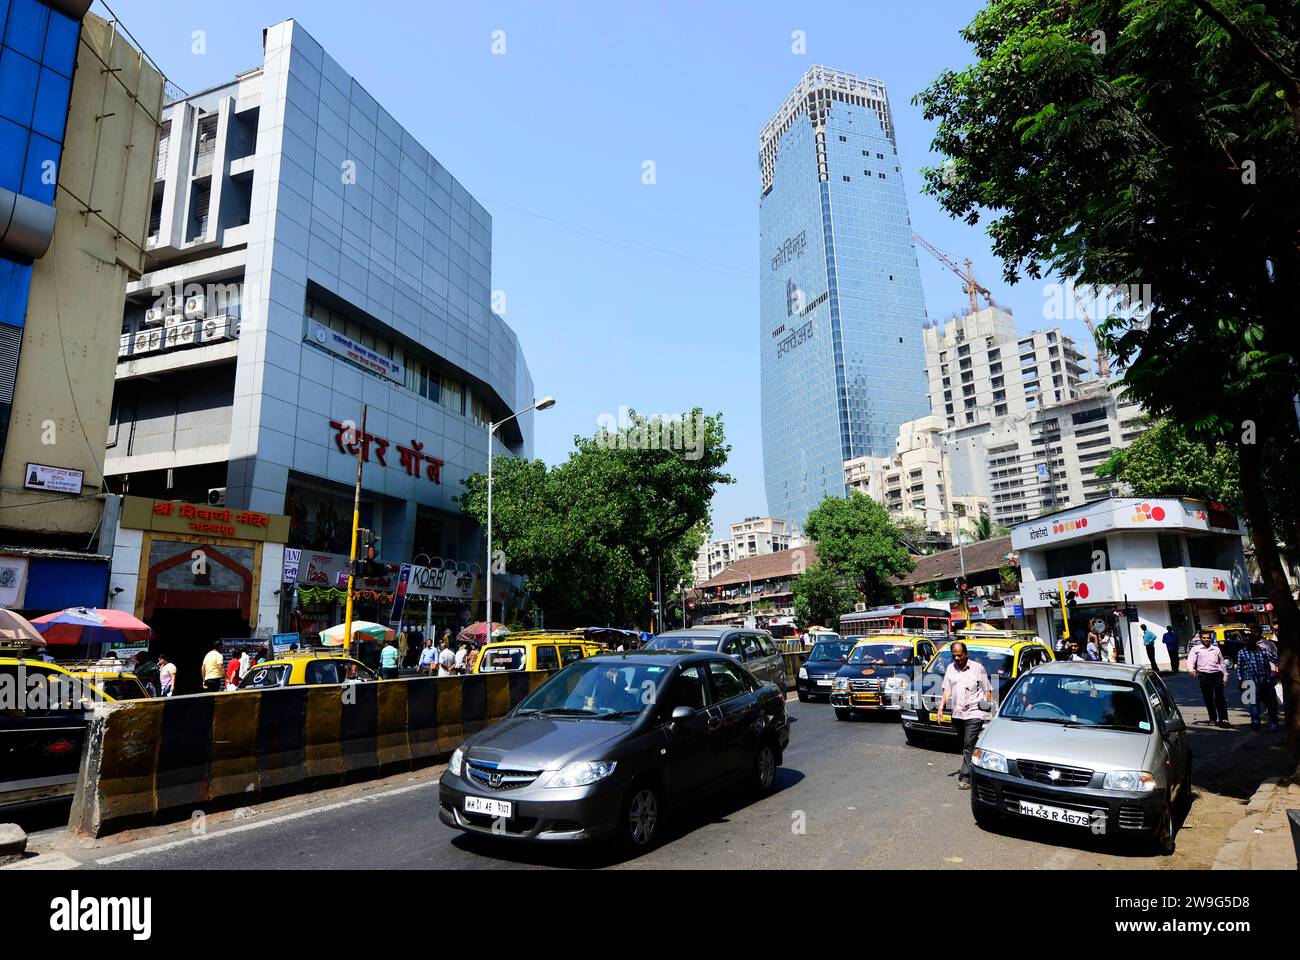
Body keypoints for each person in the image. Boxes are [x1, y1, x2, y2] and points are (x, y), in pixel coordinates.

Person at [936, 641, 993, 791]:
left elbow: (987, 690)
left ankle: (965, 777)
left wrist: (988, 710)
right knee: (967, 745)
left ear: (966, 654)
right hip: (958, 713)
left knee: (968, 745)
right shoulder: (950, 669)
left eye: (959, 656)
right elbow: (946, 690)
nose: (956, 659)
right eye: (954, 656)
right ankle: (981, 769)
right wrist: (940, 708)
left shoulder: (977, 668)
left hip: (975, 712)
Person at [1235, 633, 1280, 731]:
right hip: (1251, 682)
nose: (1246, 642)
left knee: (1271, 703)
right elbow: (1240, 668)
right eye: (1245, 640)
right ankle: (1255, 721)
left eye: (1249, 640)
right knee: (1253, 704)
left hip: (1266, 681)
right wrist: (1240, 680)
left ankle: (1273, 722)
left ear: (1254, 641)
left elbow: (1276, 659)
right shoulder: (1242, 652)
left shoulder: (1263, 651)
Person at [1187, 630, 1230, 727]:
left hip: (1216, 675)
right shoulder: (1196, 649)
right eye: (1204, 638)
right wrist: (1191, 670)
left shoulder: (1216, 649)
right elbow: (1190, 661)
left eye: (1208, 638)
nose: (1206, 640)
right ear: (1201, 638)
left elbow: (1222, 663)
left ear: (1211, 638)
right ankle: (1213, 718)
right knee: (1208, 698)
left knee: (1220, 697)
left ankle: (1224, 719)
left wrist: (1225, 676)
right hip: (1204, 676)